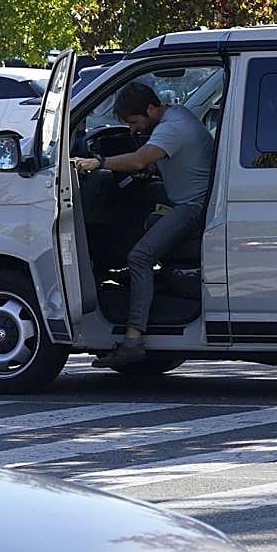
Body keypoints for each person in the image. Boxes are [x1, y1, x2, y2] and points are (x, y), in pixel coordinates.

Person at [71, 82, 214, 366]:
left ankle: (133, 339)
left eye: (135, 122)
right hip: (190, 196)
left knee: (139, 256)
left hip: (193, 207)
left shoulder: (172, 129)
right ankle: (145, 288)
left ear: (151, 108)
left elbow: (138, 161)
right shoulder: (179, 115)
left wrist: (97, 163)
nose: (134, 130)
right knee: (141, 201)